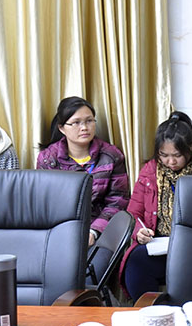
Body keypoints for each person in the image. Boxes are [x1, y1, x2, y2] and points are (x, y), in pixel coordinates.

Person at [120, 112, 192, 301]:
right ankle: (153, 312)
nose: (171, 162)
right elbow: (133, 214)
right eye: (164, 155)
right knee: (136, 262)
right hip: (159, 247)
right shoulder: (149, 172)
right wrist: (139, 232)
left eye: (177, 155)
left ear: (190, 148)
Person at [37, 96, 129, 246]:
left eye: (89, 121)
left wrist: (94, 231)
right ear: (62, 128)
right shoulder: (48, 159)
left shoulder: (111, 156)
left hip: (100, 231)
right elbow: (44, 203)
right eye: (76, 123)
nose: (84, 127)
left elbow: (117, 201)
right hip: (59, 230)